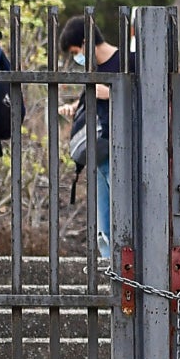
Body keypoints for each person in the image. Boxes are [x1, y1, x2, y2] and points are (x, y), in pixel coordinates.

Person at [57, 14, 124, 261]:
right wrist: (76, 106)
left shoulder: (127, 60)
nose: (77, 58)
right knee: (103, 225)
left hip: (123, 150)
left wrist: (114, 92)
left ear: (86, 43)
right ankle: (108, 267)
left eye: (77, 51)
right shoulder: (91, 70)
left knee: (125, 218)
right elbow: (92, 100)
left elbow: (147, 99)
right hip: (99, 153)